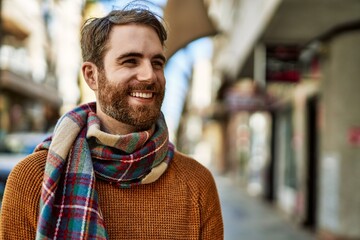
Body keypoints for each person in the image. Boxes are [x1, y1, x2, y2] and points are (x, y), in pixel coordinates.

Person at [0, 5, 223, 240]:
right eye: (130, 61)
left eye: (157, 62)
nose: (149, 75)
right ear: (92, 76)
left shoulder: (197, 183)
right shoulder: (32, 180)